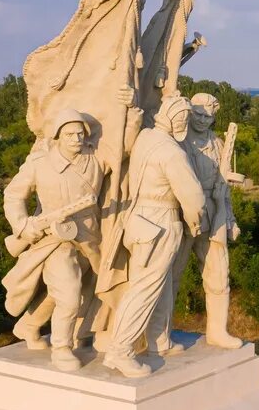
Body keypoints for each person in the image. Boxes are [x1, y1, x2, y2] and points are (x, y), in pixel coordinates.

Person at [102, 96, 206, 378]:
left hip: (140, 221)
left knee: (161, 286)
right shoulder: (171, 151)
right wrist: (196, 221)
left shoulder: (146, 137)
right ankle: (120, 349)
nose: (185, 123)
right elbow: (193, 196)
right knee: (145, 288)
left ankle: (158, 340)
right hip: (160, 221)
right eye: (182, 118)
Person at [1, 109, 106, 371]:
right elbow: (13, 195)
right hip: (54, 240)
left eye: (80, 133)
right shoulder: (39, 163)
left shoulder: (96, 159)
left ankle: (29, 325)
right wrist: (23, 225)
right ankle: (61, 347)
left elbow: (124, 149)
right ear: (57, 136)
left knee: (62, 292)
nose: (76, 139)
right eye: (69, 134)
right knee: (69, 295)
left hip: (90, 241)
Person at [149, 92, 242, 354]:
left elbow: (225, 189)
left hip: (214, 214)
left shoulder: (218, 144)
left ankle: (217, 331)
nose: (201, 120)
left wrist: (231, 219)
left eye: (207, 115)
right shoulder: (177, 142)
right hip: (183, 213)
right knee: (171, 275)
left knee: (218, 273)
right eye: (197, 114)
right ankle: (160, 333)